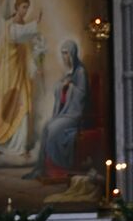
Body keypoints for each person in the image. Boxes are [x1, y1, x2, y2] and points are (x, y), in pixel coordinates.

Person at [0, 0, 44, 157]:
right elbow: (19, 35)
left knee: (23, 109)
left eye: (27, 8)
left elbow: (26, 51)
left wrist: (34, 67)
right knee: (5, 107)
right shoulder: (10, 26)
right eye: (23, 7)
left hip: (20, 74)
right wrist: (35, 24)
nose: (25, 11)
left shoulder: (20, 25)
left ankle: (20, 147)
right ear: (16, 7)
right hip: (8, 74)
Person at [26, 39, 89, 181]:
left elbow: (82, 95)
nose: (64, 57)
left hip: (74, 115)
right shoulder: (69, 72)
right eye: (62, 54)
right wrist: (63, 86)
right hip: (64, 113)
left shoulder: (80, 72)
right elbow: (58, 89)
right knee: (47, 127)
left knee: (54, 128)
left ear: (73, 53)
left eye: (66, 53)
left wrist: (70, 86)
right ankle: (47, 168)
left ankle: (60, 168)